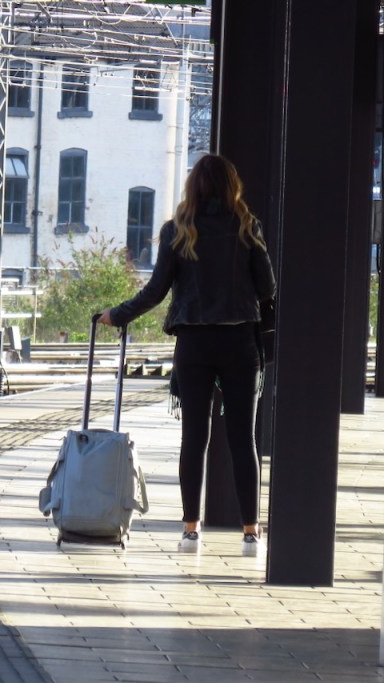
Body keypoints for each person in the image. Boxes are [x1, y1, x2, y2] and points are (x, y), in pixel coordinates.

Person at [99, 154, 276, 555]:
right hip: (239, 344)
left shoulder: (178, 231)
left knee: (194, 438)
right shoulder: (248, 228)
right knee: (242, 440)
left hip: (194, 345)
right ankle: (250, 533)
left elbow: (156, 291)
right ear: (233, 187)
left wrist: (118, 314)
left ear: (193, 187)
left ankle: (191, 531)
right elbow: (267, 289)